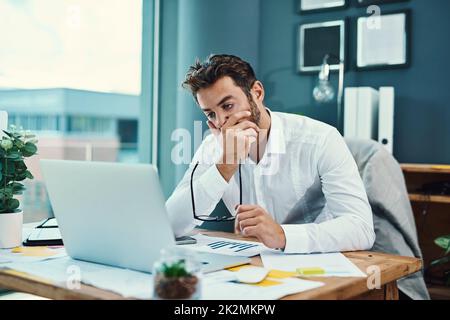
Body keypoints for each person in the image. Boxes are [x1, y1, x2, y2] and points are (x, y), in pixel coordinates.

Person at [166, 54, 375, 253]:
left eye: (228, 106)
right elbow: (170, 224)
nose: (221, 122)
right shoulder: (213, 147)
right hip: (253, 266)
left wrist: (283, 235)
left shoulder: (321, 139)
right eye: (211, 114)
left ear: (257, 92)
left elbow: (361, 228)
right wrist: (225, 166)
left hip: (321, 262)